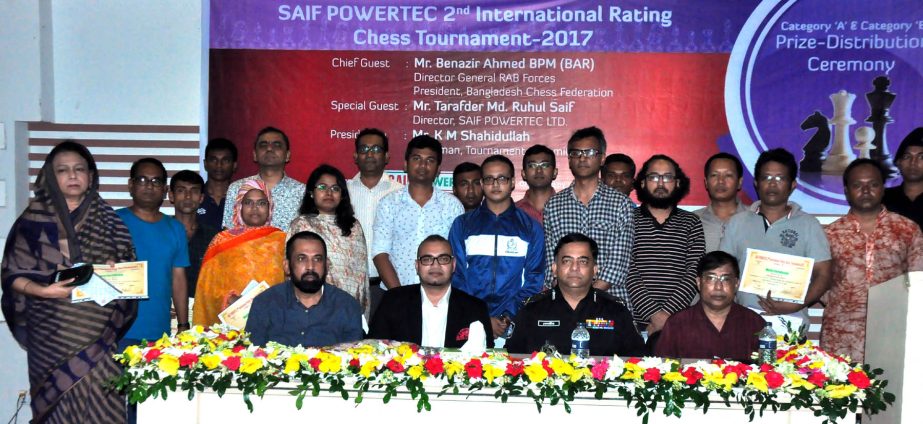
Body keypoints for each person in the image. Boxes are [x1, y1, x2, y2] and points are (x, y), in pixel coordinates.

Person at [2, 141, 136, 423]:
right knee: (57, 406)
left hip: (98, 332)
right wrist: (42, 290)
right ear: (51, 176)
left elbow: (127, 275)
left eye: (79, 169)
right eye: (63, 170)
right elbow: (12, 273)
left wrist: (115, 271)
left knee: (104, 396)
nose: (72, 176)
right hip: (52, 334)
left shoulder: (111, 222)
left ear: (90, 176)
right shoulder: (31, 221)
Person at [719, 148, 832, 330]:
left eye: (780, 178)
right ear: (756, 183)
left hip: (792, 322)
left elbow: (824, 275)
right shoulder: (737, 223)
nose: (772, 184)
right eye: (766, 178)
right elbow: (722, 271)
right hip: (742, 322)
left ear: (792, 184)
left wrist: (796, 304)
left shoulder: (809, 224)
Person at [823, 159, 923, 362]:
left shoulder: (907, 229)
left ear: (883, 188)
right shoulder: (829, 234)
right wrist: (846, 302)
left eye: (873, 184)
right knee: (840, 392)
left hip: (893, 329)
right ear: (846, 190)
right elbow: (819, 282)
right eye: (857, 185)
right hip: (841, 332)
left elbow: (918, 280)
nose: (866, 190)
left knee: (891, 392)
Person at [448, 155, 544, 340]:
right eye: (489, 179)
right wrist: (480, 316)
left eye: (502, 178)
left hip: (513, 322)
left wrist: (507, 315)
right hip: (469, 320)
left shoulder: (531, 227)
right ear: (482, 184)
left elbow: (534, 279)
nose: (495, 184)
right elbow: (456, 275)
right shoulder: (462, 225)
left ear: (513, 182)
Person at [506, 234, 646, 357]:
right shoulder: (531, 310)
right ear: (554, 269)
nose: (574, 268)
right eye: (567, 261)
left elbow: (637, 360)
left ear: (595, 270)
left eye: (583, 261)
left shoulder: (616, 311)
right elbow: (512, 359)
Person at [543, 126, 634, 312]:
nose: (582, 158)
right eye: (576, 153)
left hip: (610, 302)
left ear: (601, 158)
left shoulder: (621, 204)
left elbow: (618, 264)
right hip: (564, 305)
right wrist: (568, 299)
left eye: (590, 152)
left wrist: (584, 300)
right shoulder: (554, 205)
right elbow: (551, 263)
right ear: (569, 160)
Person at [372, 135, 464, 289]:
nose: (423, 165)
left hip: (440, 296)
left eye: (430, 160)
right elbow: (380, 253)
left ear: (438, 169)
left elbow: (457, 257)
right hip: (396, 293)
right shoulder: (389, 204)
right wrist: (399, 295)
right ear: (406, 165)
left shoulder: (452, 206)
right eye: (417, 159)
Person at [369, 235, 493, 348]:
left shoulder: (475, 308)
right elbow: (373, 349)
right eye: (427, 259)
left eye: (443, 259)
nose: (435, 265)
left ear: (453, 265)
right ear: (417, 266)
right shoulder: (393, 301)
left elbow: (487, 359)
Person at [627, 155, 705, 334]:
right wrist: (654, 314)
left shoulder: (692, 222)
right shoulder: (628, 220)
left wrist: (667, 315)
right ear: (642, 183)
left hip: (679, 321)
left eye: (667, 177)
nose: (660, 183)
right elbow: (627, 269)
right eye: (654, 177)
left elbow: (694, 270)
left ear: (677, 183)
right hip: (635, 322)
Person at [193, 180, 286, 326]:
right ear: (239, 207)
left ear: (270, 207)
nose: (255, 208)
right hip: (230, 318)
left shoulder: (281, 240)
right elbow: (207, 287)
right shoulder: (221, 240)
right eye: (248, 203)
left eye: (262, 203)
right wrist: (230, 299)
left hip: (272, 318)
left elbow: (289, 283)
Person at [247, 231, 364, 347]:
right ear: (287, 266)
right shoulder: (265, 303)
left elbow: (352, 359)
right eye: (301, 259)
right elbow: (252, 356)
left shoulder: (347, 305)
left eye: (317, 259)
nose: (310, 267)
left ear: (327, 265)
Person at [117, 158, 190, 342]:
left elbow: (178, 279)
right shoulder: (113, 222)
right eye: (142, 180)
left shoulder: (175, 228)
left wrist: (183, 325)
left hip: (159, 333)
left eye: (156, 181)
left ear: (165, 190)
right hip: (117, 331)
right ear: (130, 185)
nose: (149, 186)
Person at [654, 251, 766, 362]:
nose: (718, 287)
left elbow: (769, 370)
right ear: (699, 282)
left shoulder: (755, 323)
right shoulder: (677, 323)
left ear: (736, 283)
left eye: (725, 279)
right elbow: (662, 371)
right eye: (711, 278)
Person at [289, 164, 369, 318]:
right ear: (311, 193)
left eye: (335, 188)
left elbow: (362, 276)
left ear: (342, 195)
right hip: (311, 304)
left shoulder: (354, 226)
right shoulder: (301, 224)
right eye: (322, 187)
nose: (329, 192)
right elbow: (292, 269)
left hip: (349, 305)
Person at [346, 128, 403, 315]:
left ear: (387, 156)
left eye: (376, 149)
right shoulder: (341, 192)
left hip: (389, 287)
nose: (370, 154)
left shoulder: (401, 193)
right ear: (355, 155)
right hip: (348, 287)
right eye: (364, 149)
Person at [222, 126, 306, 230]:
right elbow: (228, 233)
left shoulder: (302, 191)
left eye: (277, 145)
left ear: (287, 155)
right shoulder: (237, 188)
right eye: (263, 145)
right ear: (255, 155)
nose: (269, 149)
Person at [168, 170, 219, 298]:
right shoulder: (159, 233)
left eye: (194, 191)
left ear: (201, 198)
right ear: (171, 196)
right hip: (165, 309)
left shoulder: (215, 236)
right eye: (181, 190)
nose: (188, 196)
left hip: (201, 311)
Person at [694, 153, 749, 253]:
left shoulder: (756, 218)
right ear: (706, 182)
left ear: (740, 182)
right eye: (714, 175)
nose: (721, 181)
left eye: (728, 175)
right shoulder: (691, 221)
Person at [883, 127, 923, 230]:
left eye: (921, 157)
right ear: (898, 162)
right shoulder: (881, 198)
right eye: (907, 157)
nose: (913, 162)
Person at [198, 138, 238, 230]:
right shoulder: (195, 196)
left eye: (225, 160)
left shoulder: (242, 198)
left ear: (234, 165)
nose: (219, 165)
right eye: (213, 160)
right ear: (205, 164)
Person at [515, 144, 558, 226]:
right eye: (532, 166)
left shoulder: (568, 209)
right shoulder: (513, 212)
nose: (538, 170)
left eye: (545, 165)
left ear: (555, 172)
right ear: (523, 173)